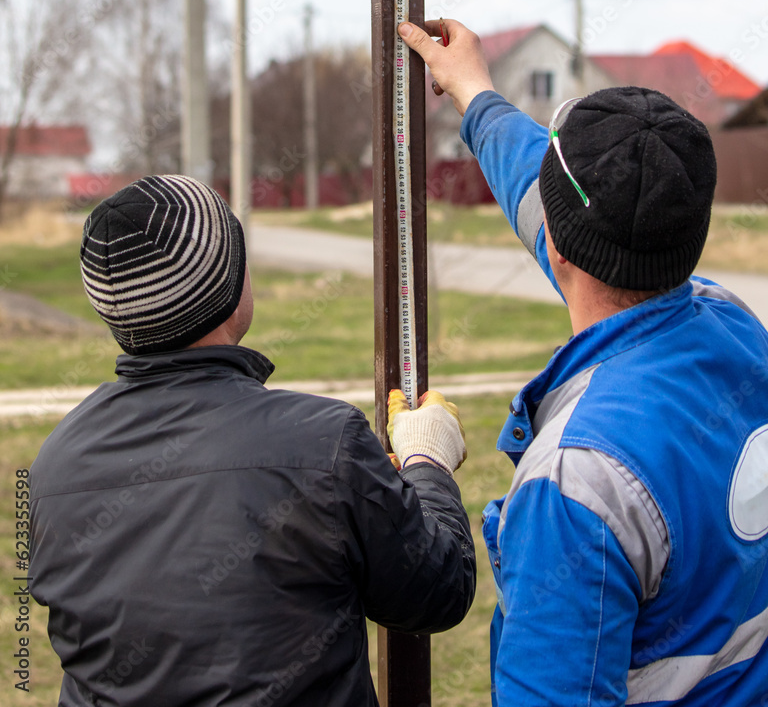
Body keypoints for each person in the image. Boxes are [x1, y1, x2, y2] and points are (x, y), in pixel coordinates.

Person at [399, 18, 768, 707]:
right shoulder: (734, 325)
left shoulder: (577, 482)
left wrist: (421, 465)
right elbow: (560, 207)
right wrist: (474, 93)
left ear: (556, 247)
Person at [29, 174, 475, 707]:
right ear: (228, 283)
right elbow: (435, 592)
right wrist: (427, 459)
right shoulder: (324, 443)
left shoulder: (53, 464)